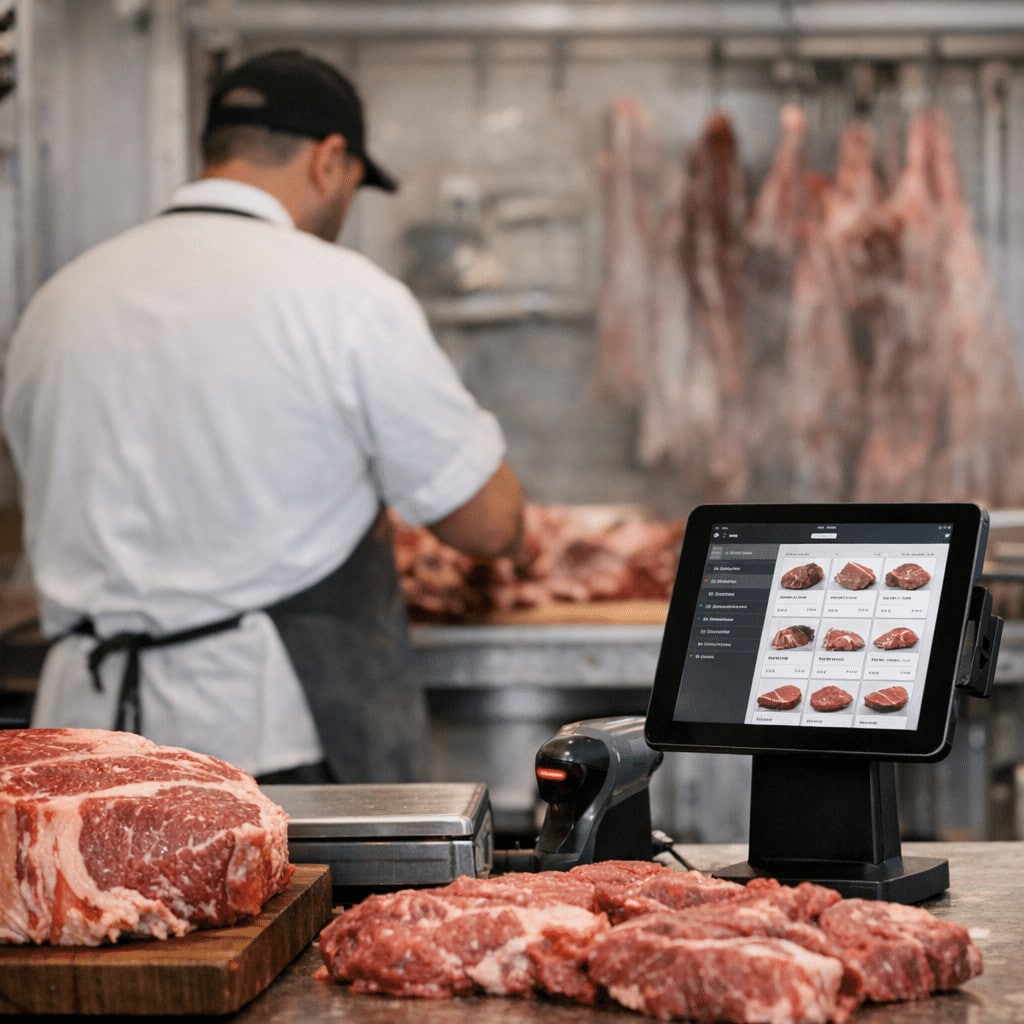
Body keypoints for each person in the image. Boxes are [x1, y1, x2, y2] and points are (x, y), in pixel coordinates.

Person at [0, 49, 525, 785]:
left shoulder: (56, 304)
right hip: (268, 744)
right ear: (330, 161)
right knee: (297, 908)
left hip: (82, 750)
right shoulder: (344, 296)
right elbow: (490, 524)